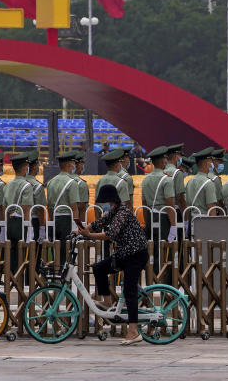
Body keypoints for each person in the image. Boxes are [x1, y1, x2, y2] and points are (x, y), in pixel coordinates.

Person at [75, 184, 149, 345]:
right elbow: (98, 223)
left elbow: (110, 234)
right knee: (99, 268)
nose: (104, 205)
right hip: (123, 254)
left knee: (129, 289)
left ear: (112, 201)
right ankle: (107, 302)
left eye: (105, 202)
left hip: (136, 255)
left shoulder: (123, 213)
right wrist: (82, 230)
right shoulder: (113, 212)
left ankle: (133, 331)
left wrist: (90, 236)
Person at [139, 146, 177, 274]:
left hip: (150, 216)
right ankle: (164, 278)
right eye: (165, 159)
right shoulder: (167, 179)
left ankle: (153, 276)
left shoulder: (146, 180)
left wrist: (146, 222)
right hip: (164, 218)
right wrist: (173, 225)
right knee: (165, 249)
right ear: (163, 162)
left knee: (153, 249)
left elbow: (144, 204)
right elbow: (170, 204)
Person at [47, 151, 83, 261]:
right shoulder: (71, 183)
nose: (74, 165)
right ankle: (65, 277)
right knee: (66, 252)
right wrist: (76, 227)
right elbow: (74, 208)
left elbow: (49, 206)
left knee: (55, 251)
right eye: (73, 163)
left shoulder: (50, 182)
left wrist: (52, 221)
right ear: (68, 165)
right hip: (66, 220)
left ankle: (56, 275)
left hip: (54, 219)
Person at [2, 152, 34, 272]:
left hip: (10, 221)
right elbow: (26, 208)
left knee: (12, 253)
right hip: (21, 222)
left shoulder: (7, 185)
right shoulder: (27, 186)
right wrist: (29, 227)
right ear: (25, 167)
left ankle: (11, 277)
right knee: (22, 254)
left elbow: (4, 208)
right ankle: (19, 279)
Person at [184, 148, 219, 226]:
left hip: (193, 220)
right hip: (205, 223)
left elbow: (187, 204)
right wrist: (215, 226)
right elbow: (211, 207)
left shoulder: (190, 181)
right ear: (206, 164)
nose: (212, 164)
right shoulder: (209, 183)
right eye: (211, 162)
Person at [25, 150, 46, 242]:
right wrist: (42, 228)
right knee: (35, 252)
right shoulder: (37, 186)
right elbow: (40, 209)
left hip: (19, 220)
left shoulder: (18, 183)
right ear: (34, 167)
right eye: (38, 165)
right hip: (34, 221)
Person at [73, 151, 90, 220]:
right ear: (79, 165)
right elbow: (82, 208)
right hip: (76, 220)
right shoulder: (81, 183)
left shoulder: (53, 181)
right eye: (82, 164)